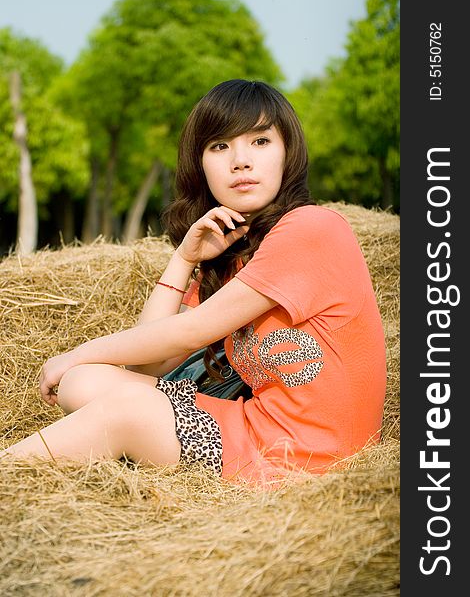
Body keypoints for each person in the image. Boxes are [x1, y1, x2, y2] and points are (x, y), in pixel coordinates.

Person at [1, 79, 386, 485]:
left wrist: (74, 352)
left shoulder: (312, 228)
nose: (240, 161)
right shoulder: (236, 257)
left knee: (118, 404)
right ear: (199, 164)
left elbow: (190, 332)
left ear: (288, 152)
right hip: (253, 428)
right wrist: (184, 258)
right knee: (84, 382)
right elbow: (146, 363)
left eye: (259, 141)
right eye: (219, 146)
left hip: (307, 457)